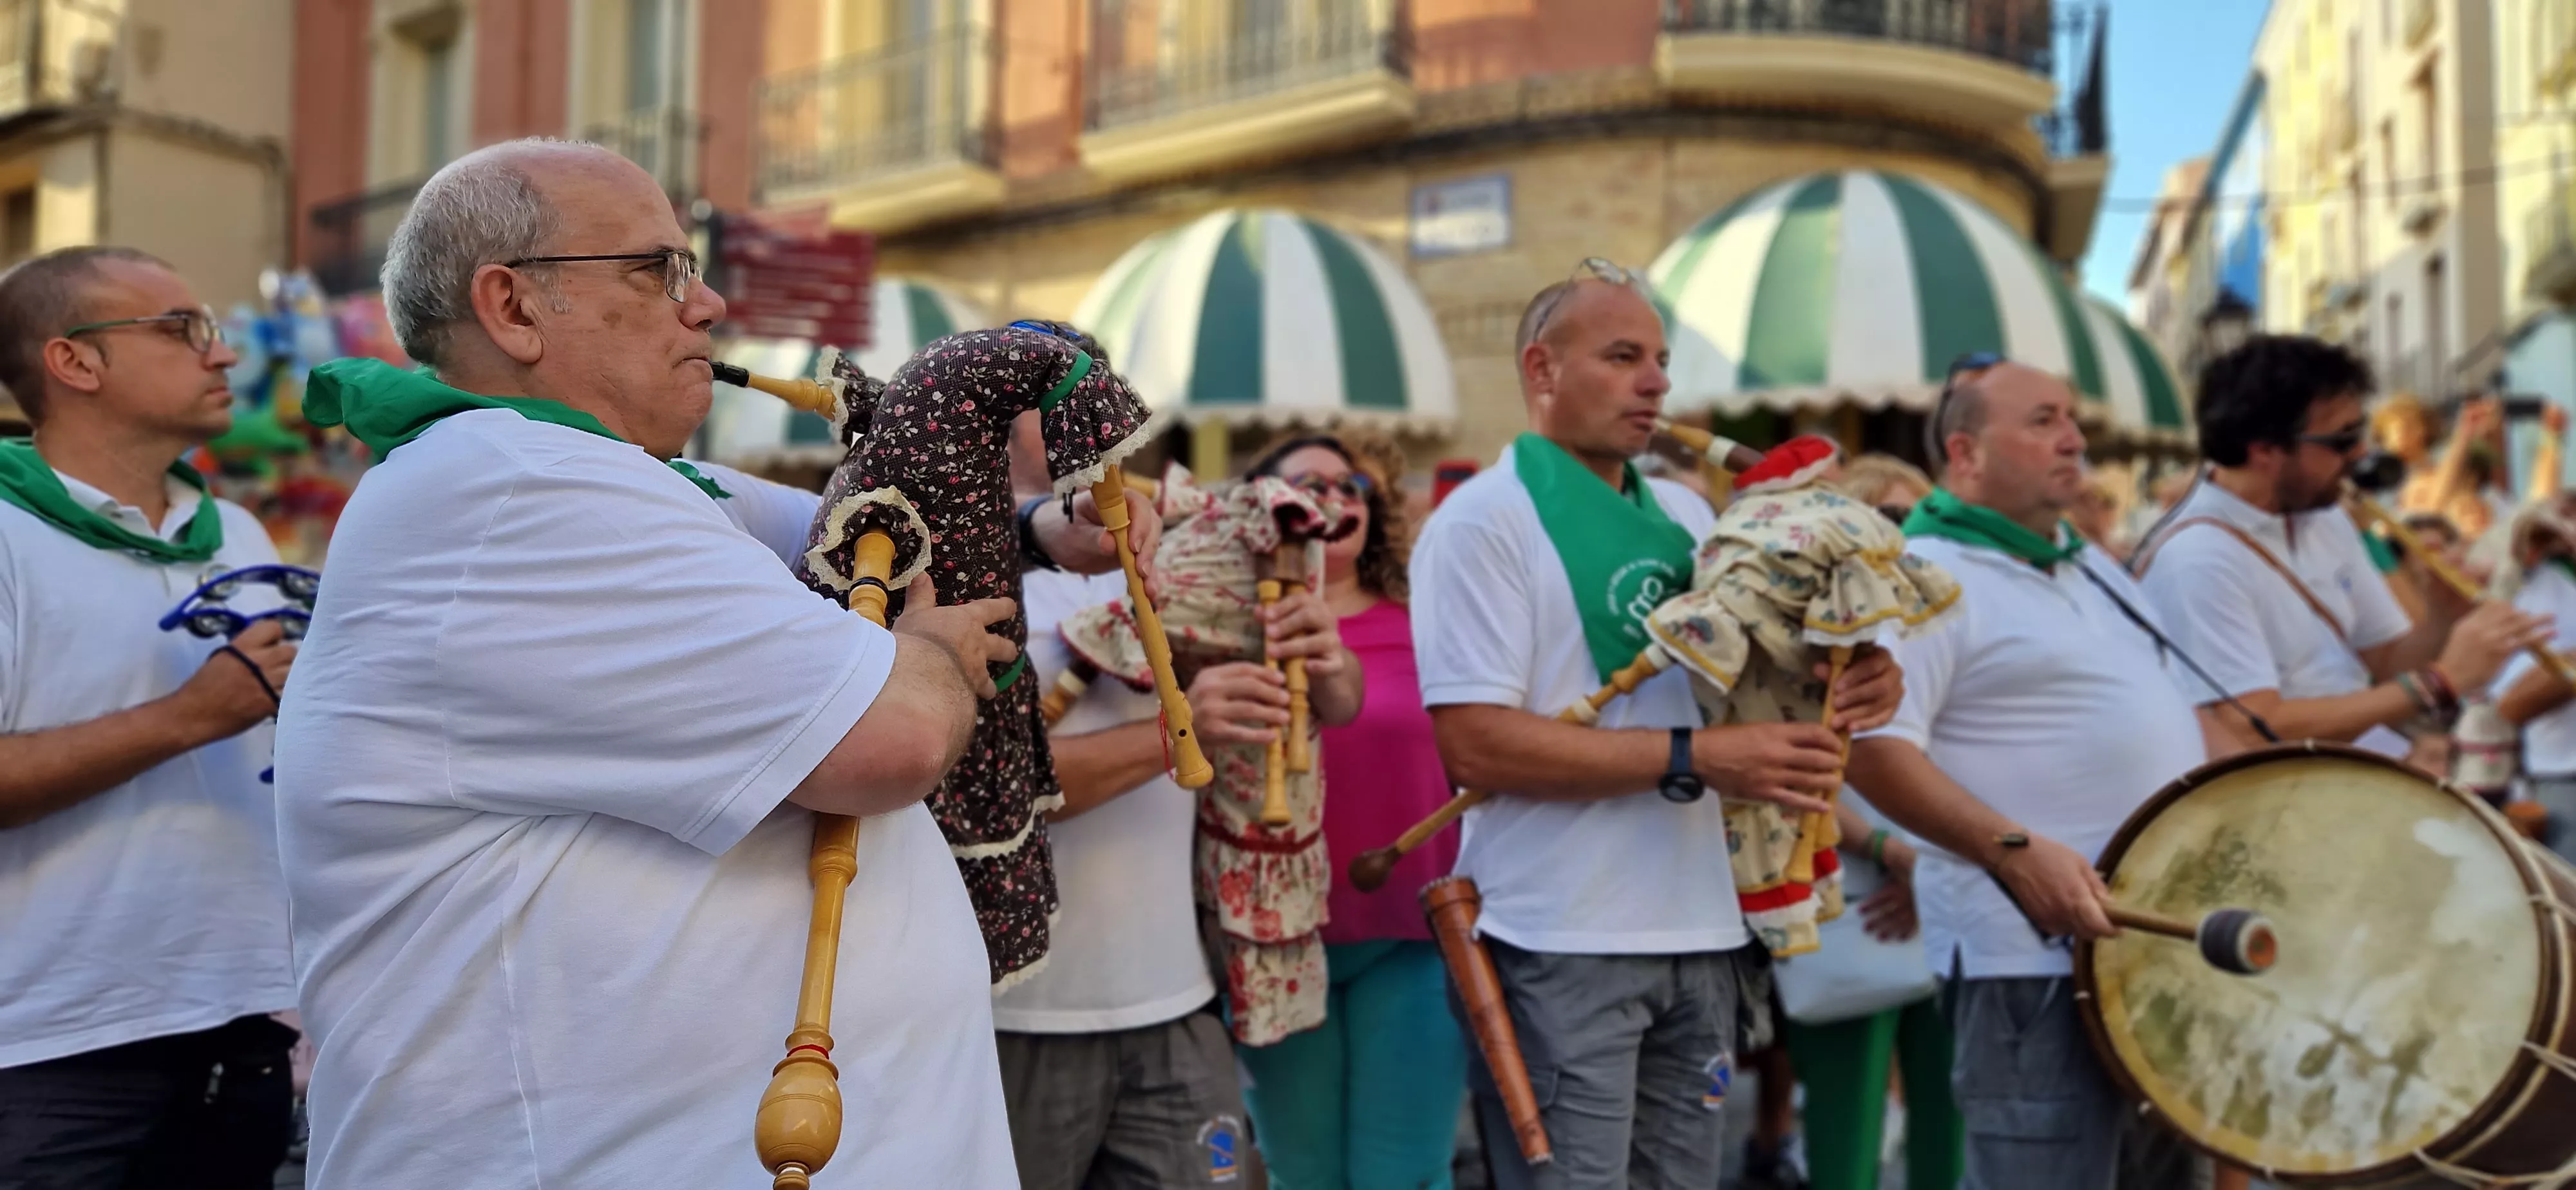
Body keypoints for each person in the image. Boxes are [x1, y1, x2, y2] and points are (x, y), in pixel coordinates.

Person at [274, 139, 1025, 1187]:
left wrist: (1045, 529)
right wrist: (932, 653)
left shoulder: (624, 480)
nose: (707, 305)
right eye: (659, 270)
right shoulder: (519, 484)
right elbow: (893, 737)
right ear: (514, 308)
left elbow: (869, 529)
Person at [1408, 260, 1902, 1189]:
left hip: (1704, 925)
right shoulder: (1480, 522)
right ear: (1542, 369)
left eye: (1662, 360)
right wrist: (1699, 756)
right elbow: (1475, 742)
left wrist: (1865, 669)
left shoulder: (1686, 509)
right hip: (1559, 937)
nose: (1656, 384)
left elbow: (1757, 671)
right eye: (1623, 357)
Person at [1842, 359, 2219, 1189]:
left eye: (2072, 418)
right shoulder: (1919, 574)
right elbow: (1870, 748)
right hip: (2028, 962)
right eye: (2043, 420)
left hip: (2154, 953)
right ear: (1965, 453)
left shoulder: (2088, 564)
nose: (2074, 439)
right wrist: (2011, 853)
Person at [989, 322, 1335, 1190]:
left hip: (1177, 998)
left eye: (1094, 389)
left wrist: (1326, 658)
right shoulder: (957, 571)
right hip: (1015, 1015)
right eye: (1050, 393)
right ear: (989, 410)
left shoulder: (1176, 545)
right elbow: (988, 792)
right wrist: (1178, 732)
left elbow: (1344, 707)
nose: (1085, 411)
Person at [0, 246, 301, 1188]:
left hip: (239, 1029)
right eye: (181, 330)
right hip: (46, 1050)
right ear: (73, 362)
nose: (223, 354)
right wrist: (189, 716)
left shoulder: (237, 534)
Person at [1230, 431, 1470, 1190]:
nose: (1336, 500)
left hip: (1413, 937)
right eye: (1312, 485)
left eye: (1352, 488)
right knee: (1302, 1175)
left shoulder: (1430, 619)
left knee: (1402, 1175)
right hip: (1272, 941)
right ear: (1264, 505)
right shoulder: (1221, 625)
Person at [2132, 336, 2546, 761]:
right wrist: (2437, 684)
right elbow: (2251, 727)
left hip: (2345, 775)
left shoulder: (2325, 516)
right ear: (2265, 450)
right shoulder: (2198, 559)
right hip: (2282, 792)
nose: (2362, 452)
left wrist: (2443, 616)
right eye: (2342, 440)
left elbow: (2386, 660)